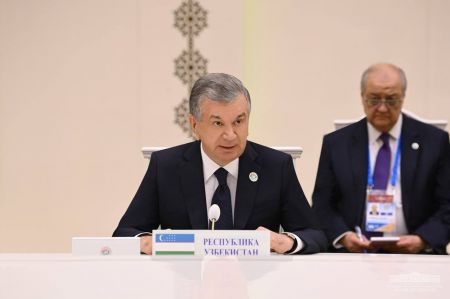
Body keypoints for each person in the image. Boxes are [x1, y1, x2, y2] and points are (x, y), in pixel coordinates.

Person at [113, 73, 327, 254]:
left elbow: (315, 235)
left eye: (238, 122)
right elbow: (125, 233)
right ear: (194, 125)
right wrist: (154, 243)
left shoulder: (276, 166)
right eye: (218, 123)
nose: (230, 135)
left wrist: (283, 241)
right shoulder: (166, 167)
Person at [312, 63, 450, 254]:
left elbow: (447, 205)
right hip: (352, 257)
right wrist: (344, 236)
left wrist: (422, 239)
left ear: (403, 98)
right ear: (362, 97)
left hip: (417, 257)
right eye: (374, 99)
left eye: (392, 100)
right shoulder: (337, 144)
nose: (383, 108)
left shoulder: (435, 142)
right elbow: (322, 205)